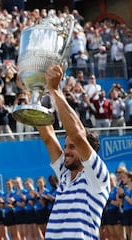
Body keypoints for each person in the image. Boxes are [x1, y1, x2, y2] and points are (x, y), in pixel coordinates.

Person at [37, 64, 110, 239]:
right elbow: (48, 136)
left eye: (72, 147)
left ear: (87, 151)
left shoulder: (96, 176)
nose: (66, 151)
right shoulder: (64, 173)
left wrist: (55, 89)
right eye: (66, 145)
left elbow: (77, 135)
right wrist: (35, 92)